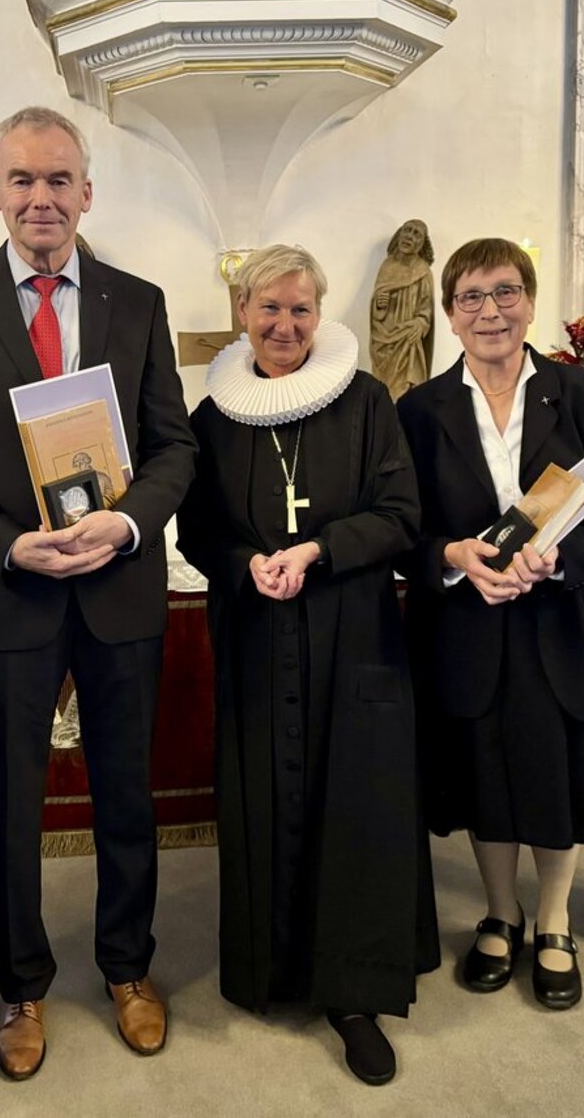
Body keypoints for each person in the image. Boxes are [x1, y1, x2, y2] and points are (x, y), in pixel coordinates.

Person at [0, 106, 196, 1079]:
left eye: (58, 179)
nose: (40, 197)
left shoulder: (137, 301)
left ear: (85, 192)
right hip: (10, 592)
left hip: (116, 586)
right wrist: (7, 545)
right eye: (21, 180)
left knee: (123, 794)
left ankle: (126, 967)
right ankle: (20, 984)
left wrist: (123, 523)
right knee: (11, 806)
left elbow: (172, 448)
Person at [176, 244, 440, 1086]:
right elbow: (198, 530)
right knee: (267, 792)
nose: (283, 324)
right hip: (256, 631)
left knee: (351, 800)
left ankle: (354, 995)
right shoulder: (214, 417)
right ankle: (272, 969)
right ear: (242, 313)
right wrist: (245, 563)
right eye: (268, 307)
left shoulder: (363, 401)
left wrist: (322, 548)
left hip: (350, 630)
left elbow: (401, 514)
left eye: (299, 309)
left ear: (319, 316)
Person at [397, 237, 584, 1011]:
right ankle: (499, 915)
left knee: (559, 768)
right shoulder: (419, 410)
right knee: (484, 770)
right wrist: (452, 555)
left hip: (563, 618)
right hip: (469, 623)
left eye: (505, 292)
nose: (490, 311)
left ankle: (554, 918)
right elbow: (404, 527)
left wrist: (559, 561)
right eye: (470, 297)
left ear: (530, 302)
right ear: (449, 314)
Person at [369, 218, 436, 402]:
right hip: (384, 338)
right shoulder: (387, 266)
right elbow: (377, 303)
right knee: (383, 391)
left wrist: (420, 322)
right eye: (407, 230)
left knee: (407, 392)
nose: (409, 236)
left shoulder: (423, 271)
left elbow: (426, 308)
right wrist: (379, 304)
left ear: (422, 243)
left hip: (408, 338)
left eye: (416, 234)